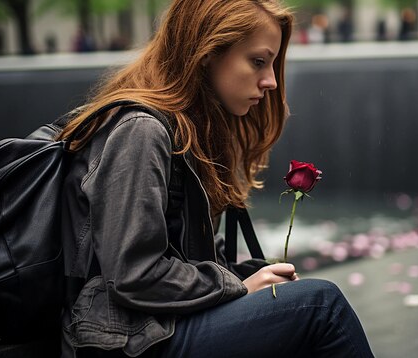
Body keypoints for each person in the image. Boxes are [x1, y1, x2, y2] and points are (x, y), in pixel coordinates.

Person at [55, 0, 374, 357]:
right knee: (321, 306)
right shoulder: (141, 131)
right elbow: (134, 275)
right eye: (257, 61)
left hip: (162, 327)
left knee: (301, 300)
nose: (270, 80)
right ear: (207, 52)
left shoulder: (187, 130)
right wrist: (238, 287)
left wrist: (255, 276)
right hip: (130, 341)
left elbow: (189, 261)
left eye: (271, 64)